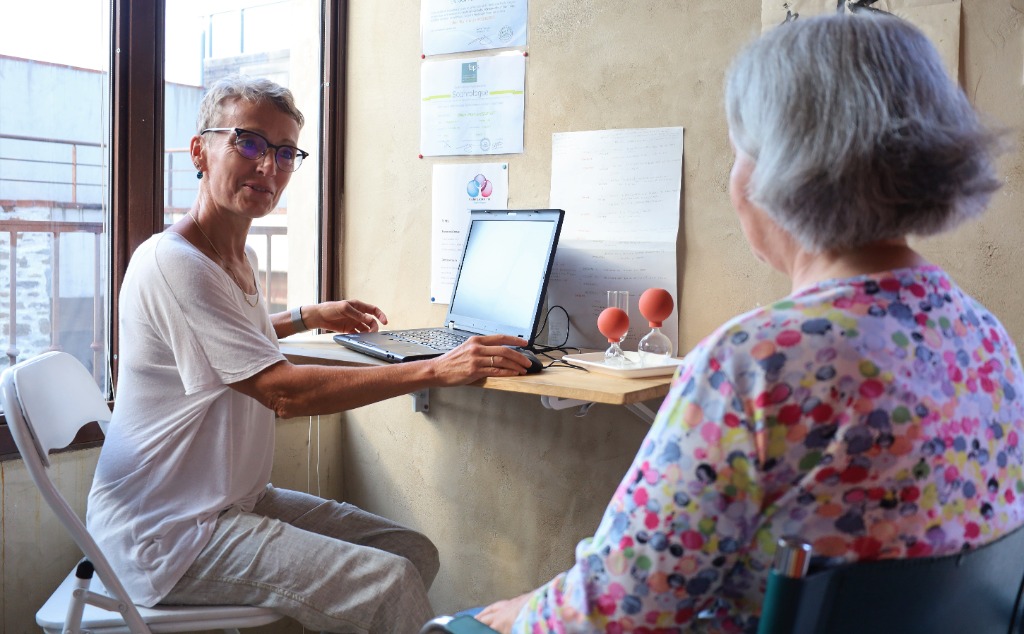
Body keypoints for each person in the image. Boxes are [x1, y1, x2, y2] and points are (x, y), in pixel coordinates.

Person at [476, 12, 1022, 633]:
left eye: (740, 153)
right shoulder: (985, 337)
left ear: (778, 171)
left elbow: (621, 612)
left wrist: (522, 614)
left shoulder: (756, 363)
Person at [86, 74, 536, 634]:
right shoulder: (175, 262)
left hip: (229, 503)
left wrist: (306, 316)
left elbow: (227, 343)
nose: (267, 166)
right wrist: (436, 369)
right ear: (200, 149)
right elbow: (280, 391)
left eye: (283, 152)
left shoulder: (233, 257)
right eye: (248, 142)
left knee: (409, 551)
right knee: (387, 583)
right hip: (167, 532)